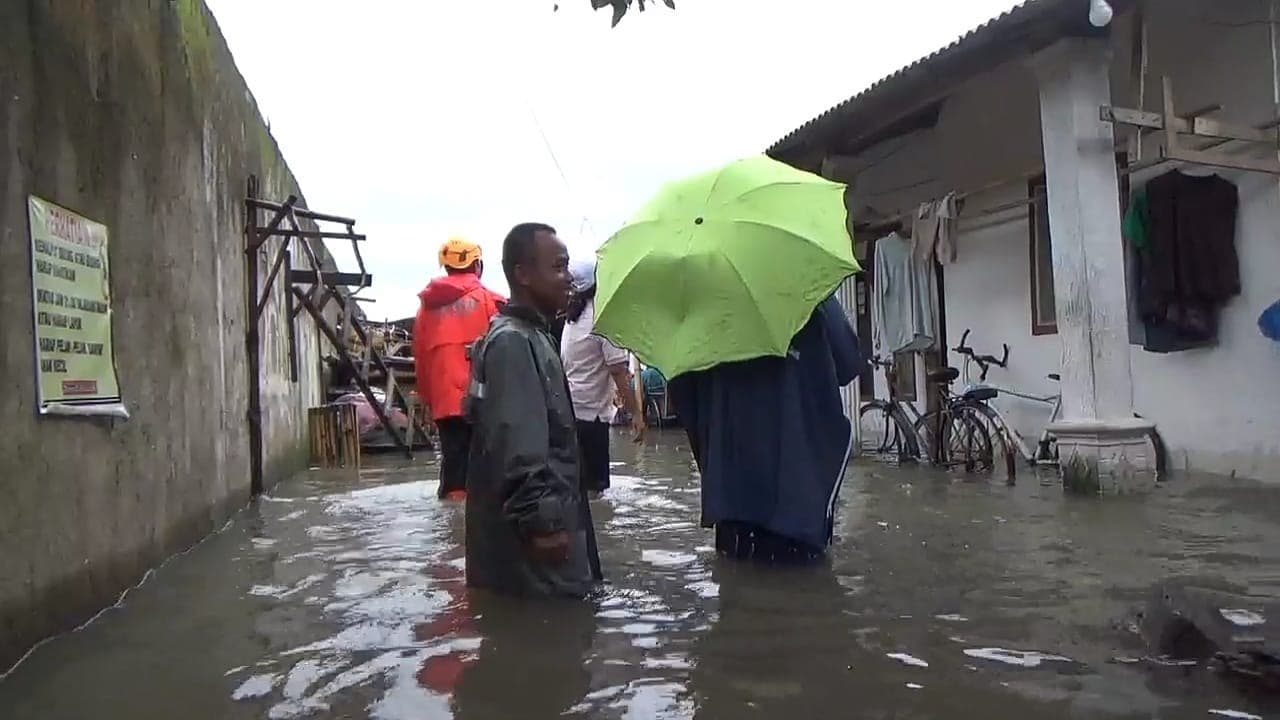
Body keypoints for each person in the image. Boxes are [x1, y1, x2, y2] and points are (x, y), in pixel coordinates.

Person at [667, 294, 864, 564]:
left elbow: (682, 395)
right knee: (811, 596)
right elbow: (849, 363)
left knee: (738, 591)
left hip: (730, 500)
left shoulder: (700, 308)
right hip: (801, 499)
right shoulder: (810, 290)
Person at [462, 223, 603, 597]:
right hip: (535, 551)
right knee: (553, 640)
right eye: (558, 267)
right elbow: (516, 442)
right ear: (522, 274)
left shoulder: (535, 336)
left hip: (545, 536)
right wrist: (543, 525)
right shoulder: (513, 343)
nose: (568, 278)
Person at [413, 237, 505, 501]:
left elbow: (421, 358)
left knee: (454, 468)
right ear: (477, 265)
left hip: (445, 402)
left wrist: (428, 401)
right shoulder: (491, 302)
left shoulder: (425, 309)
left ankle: (451, 529)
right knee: (487, 472)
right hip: (484, 399)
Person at [560, 257, 644, 496]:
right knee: (595, 493)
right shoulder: (600, 320)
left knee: (579, 490)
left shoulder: (573, 318)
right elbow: (619, 371)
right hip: (591, 416)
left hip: (572, 411)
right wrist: (636, 413)